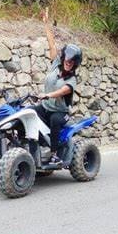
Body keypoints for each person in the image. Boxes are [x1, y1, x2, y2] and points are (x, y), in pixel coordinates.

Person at [34, 9, 81, 165]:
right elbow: (51, 43)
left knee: (54, 120)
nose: (68, 62)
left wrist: (47, 95)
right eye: (67, 59)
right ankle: (33, 146)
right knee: (29, 113)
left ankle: (54, 154)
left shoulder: (72, 80)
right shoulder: (56, 65)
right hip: (46, 107)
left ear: (75, 63)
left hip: (61, 112)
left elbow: (62, 91)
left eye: (71, 61)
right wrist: (46, 23)